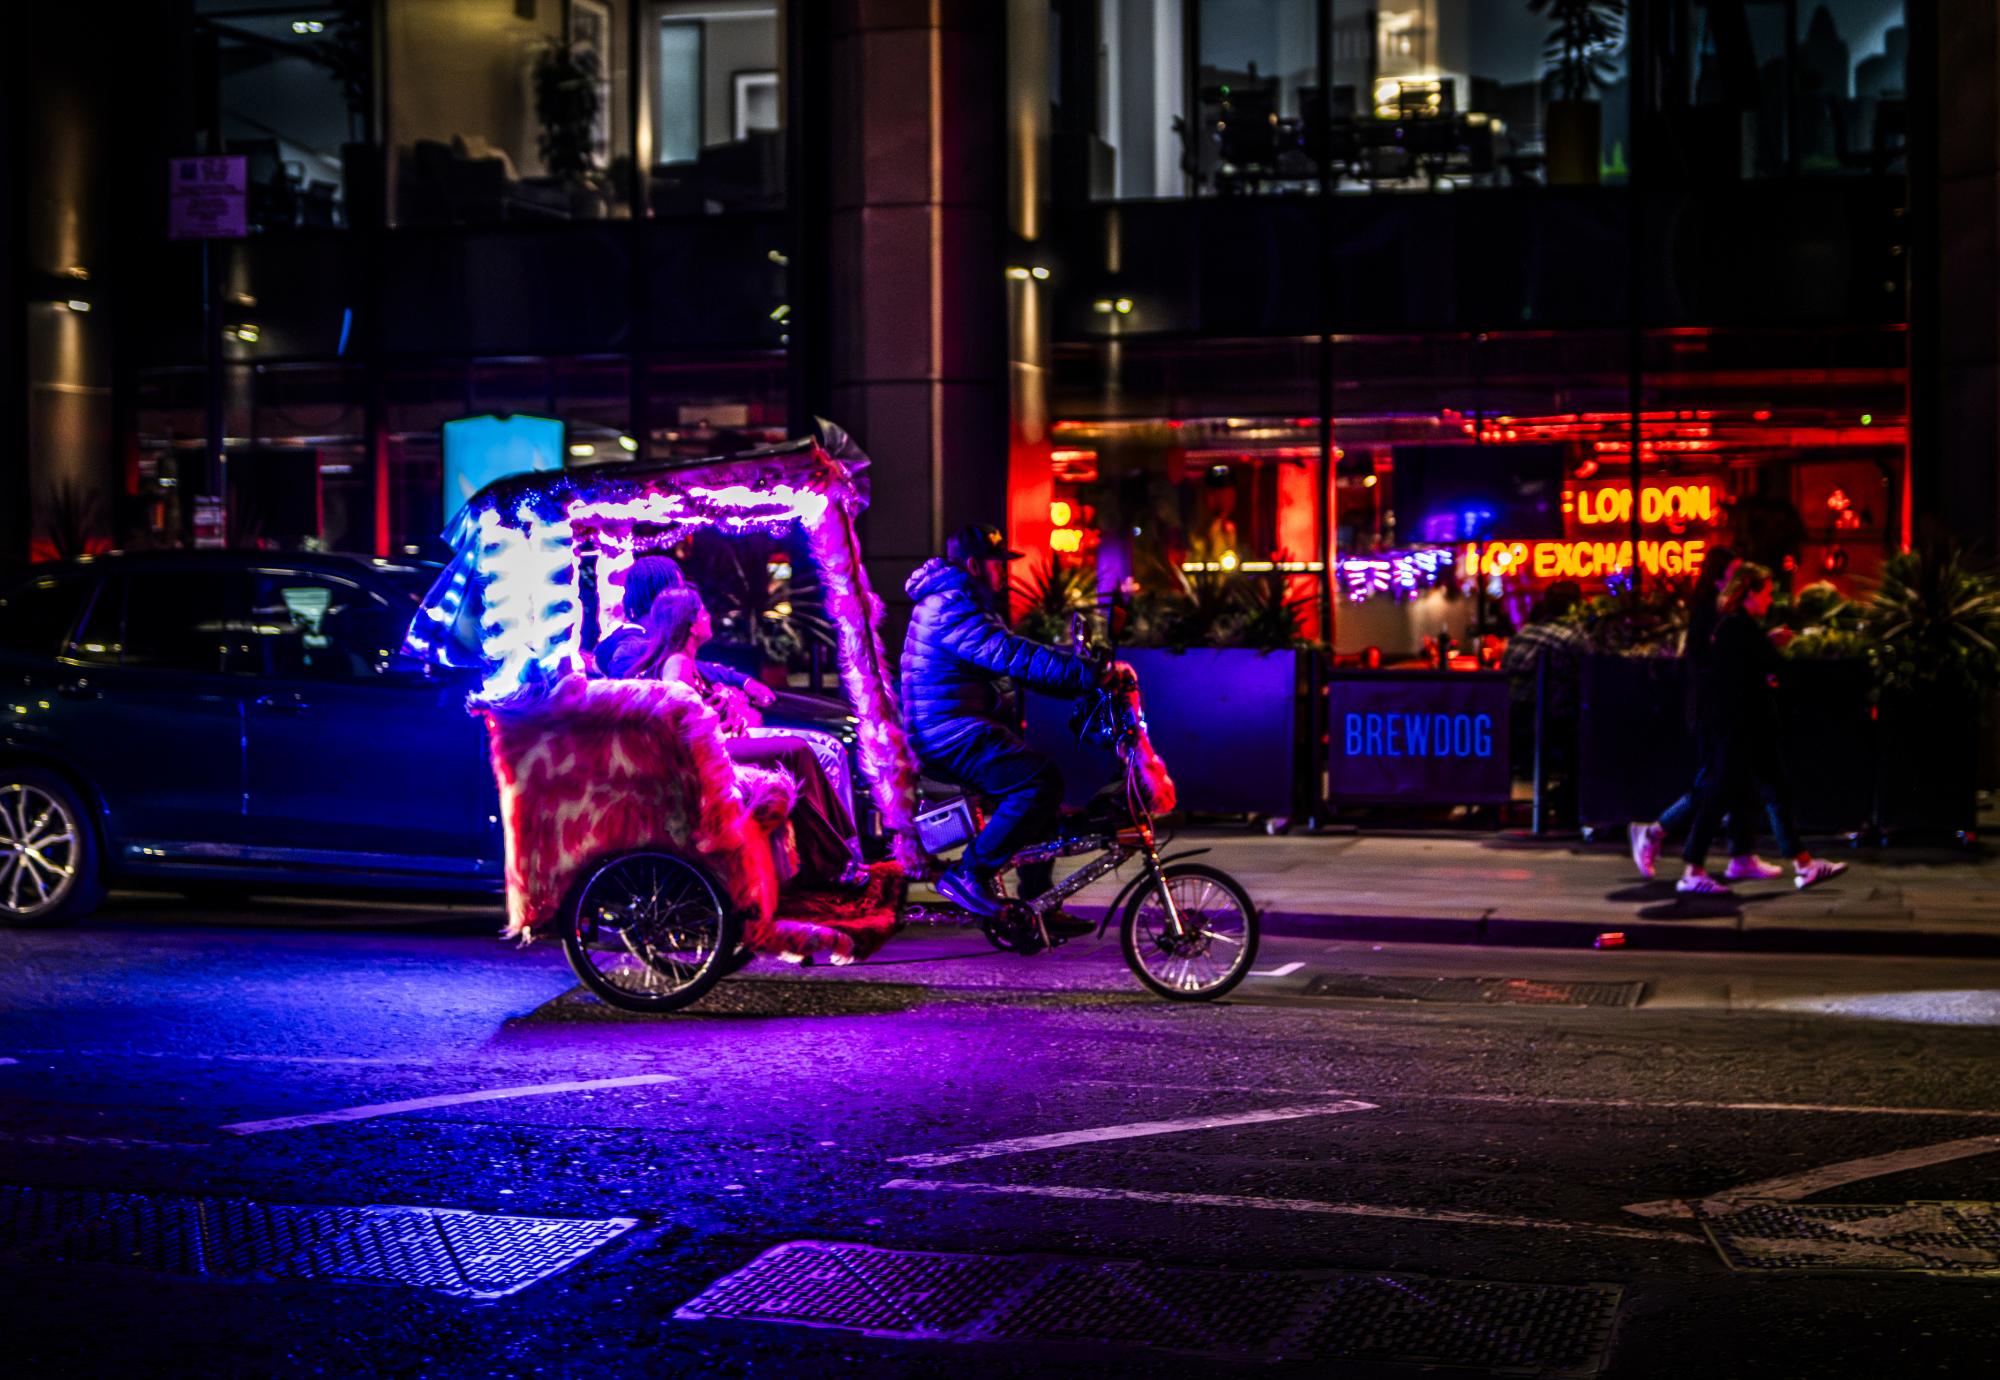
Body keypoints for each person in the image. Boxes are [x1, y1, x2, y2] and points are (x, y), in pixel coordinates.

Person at [902, 524, 1105, 918]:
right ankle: (970, 873)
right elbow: (1010, 654)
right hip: (949, 732)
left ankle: (1038, 904)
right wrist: (1088, 674)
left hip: (957, 725)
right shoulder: (951, 605)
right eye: (998, 564)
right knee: (1038, 782)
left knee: (1041, 799)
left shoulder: (961, 601)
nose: (1004, 573)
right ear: (976, 565)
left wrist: (1079, 676)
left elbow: (1016, 666)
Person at [628, 586, 865, 887]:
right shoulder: (678, 664)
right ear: (689, 623)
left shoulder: (686, 661)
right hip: (705, 760)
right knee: (795, 751)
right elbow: (679, 723)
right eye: (702, 612)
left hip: (715, 749)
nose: (708, 616)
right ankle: (831, 860)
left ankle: (832, 856)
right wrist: (717, 719)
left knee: (798, 752)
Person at [1675, 561, 1848, 895]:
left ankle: (1803, 864)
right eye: (1766, 593)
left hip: (1748, 727)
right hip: (1739, 728)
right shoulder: (1738, 628)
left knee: (1775, 790)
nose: (1770, 600)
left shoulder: (1738, 627)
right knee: (1720, 794)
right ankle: (1692, 871)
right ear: (1749, 594)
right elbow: (1770, 667)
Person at [1628, 545, 1781, 880]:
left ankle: (1741, 854)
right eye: (1735, 573)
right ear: (1719, 579)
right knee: (1717, 781)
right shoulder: (1713, 616)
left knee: (1737, 780)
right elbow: (1707, 664)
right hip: (1716, 712)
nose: (1742, 579)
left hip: (1726, 711)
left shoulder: (1726, 614)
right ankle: (1657, 831)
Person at [595, 553, 777, 714]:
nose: (684, 596)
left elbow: (692, 666)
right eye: (678, 589)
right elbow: (622, 703)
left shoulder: (649, 639)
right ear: (664, 595)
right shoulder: (631, 645)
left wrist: (741, 682)